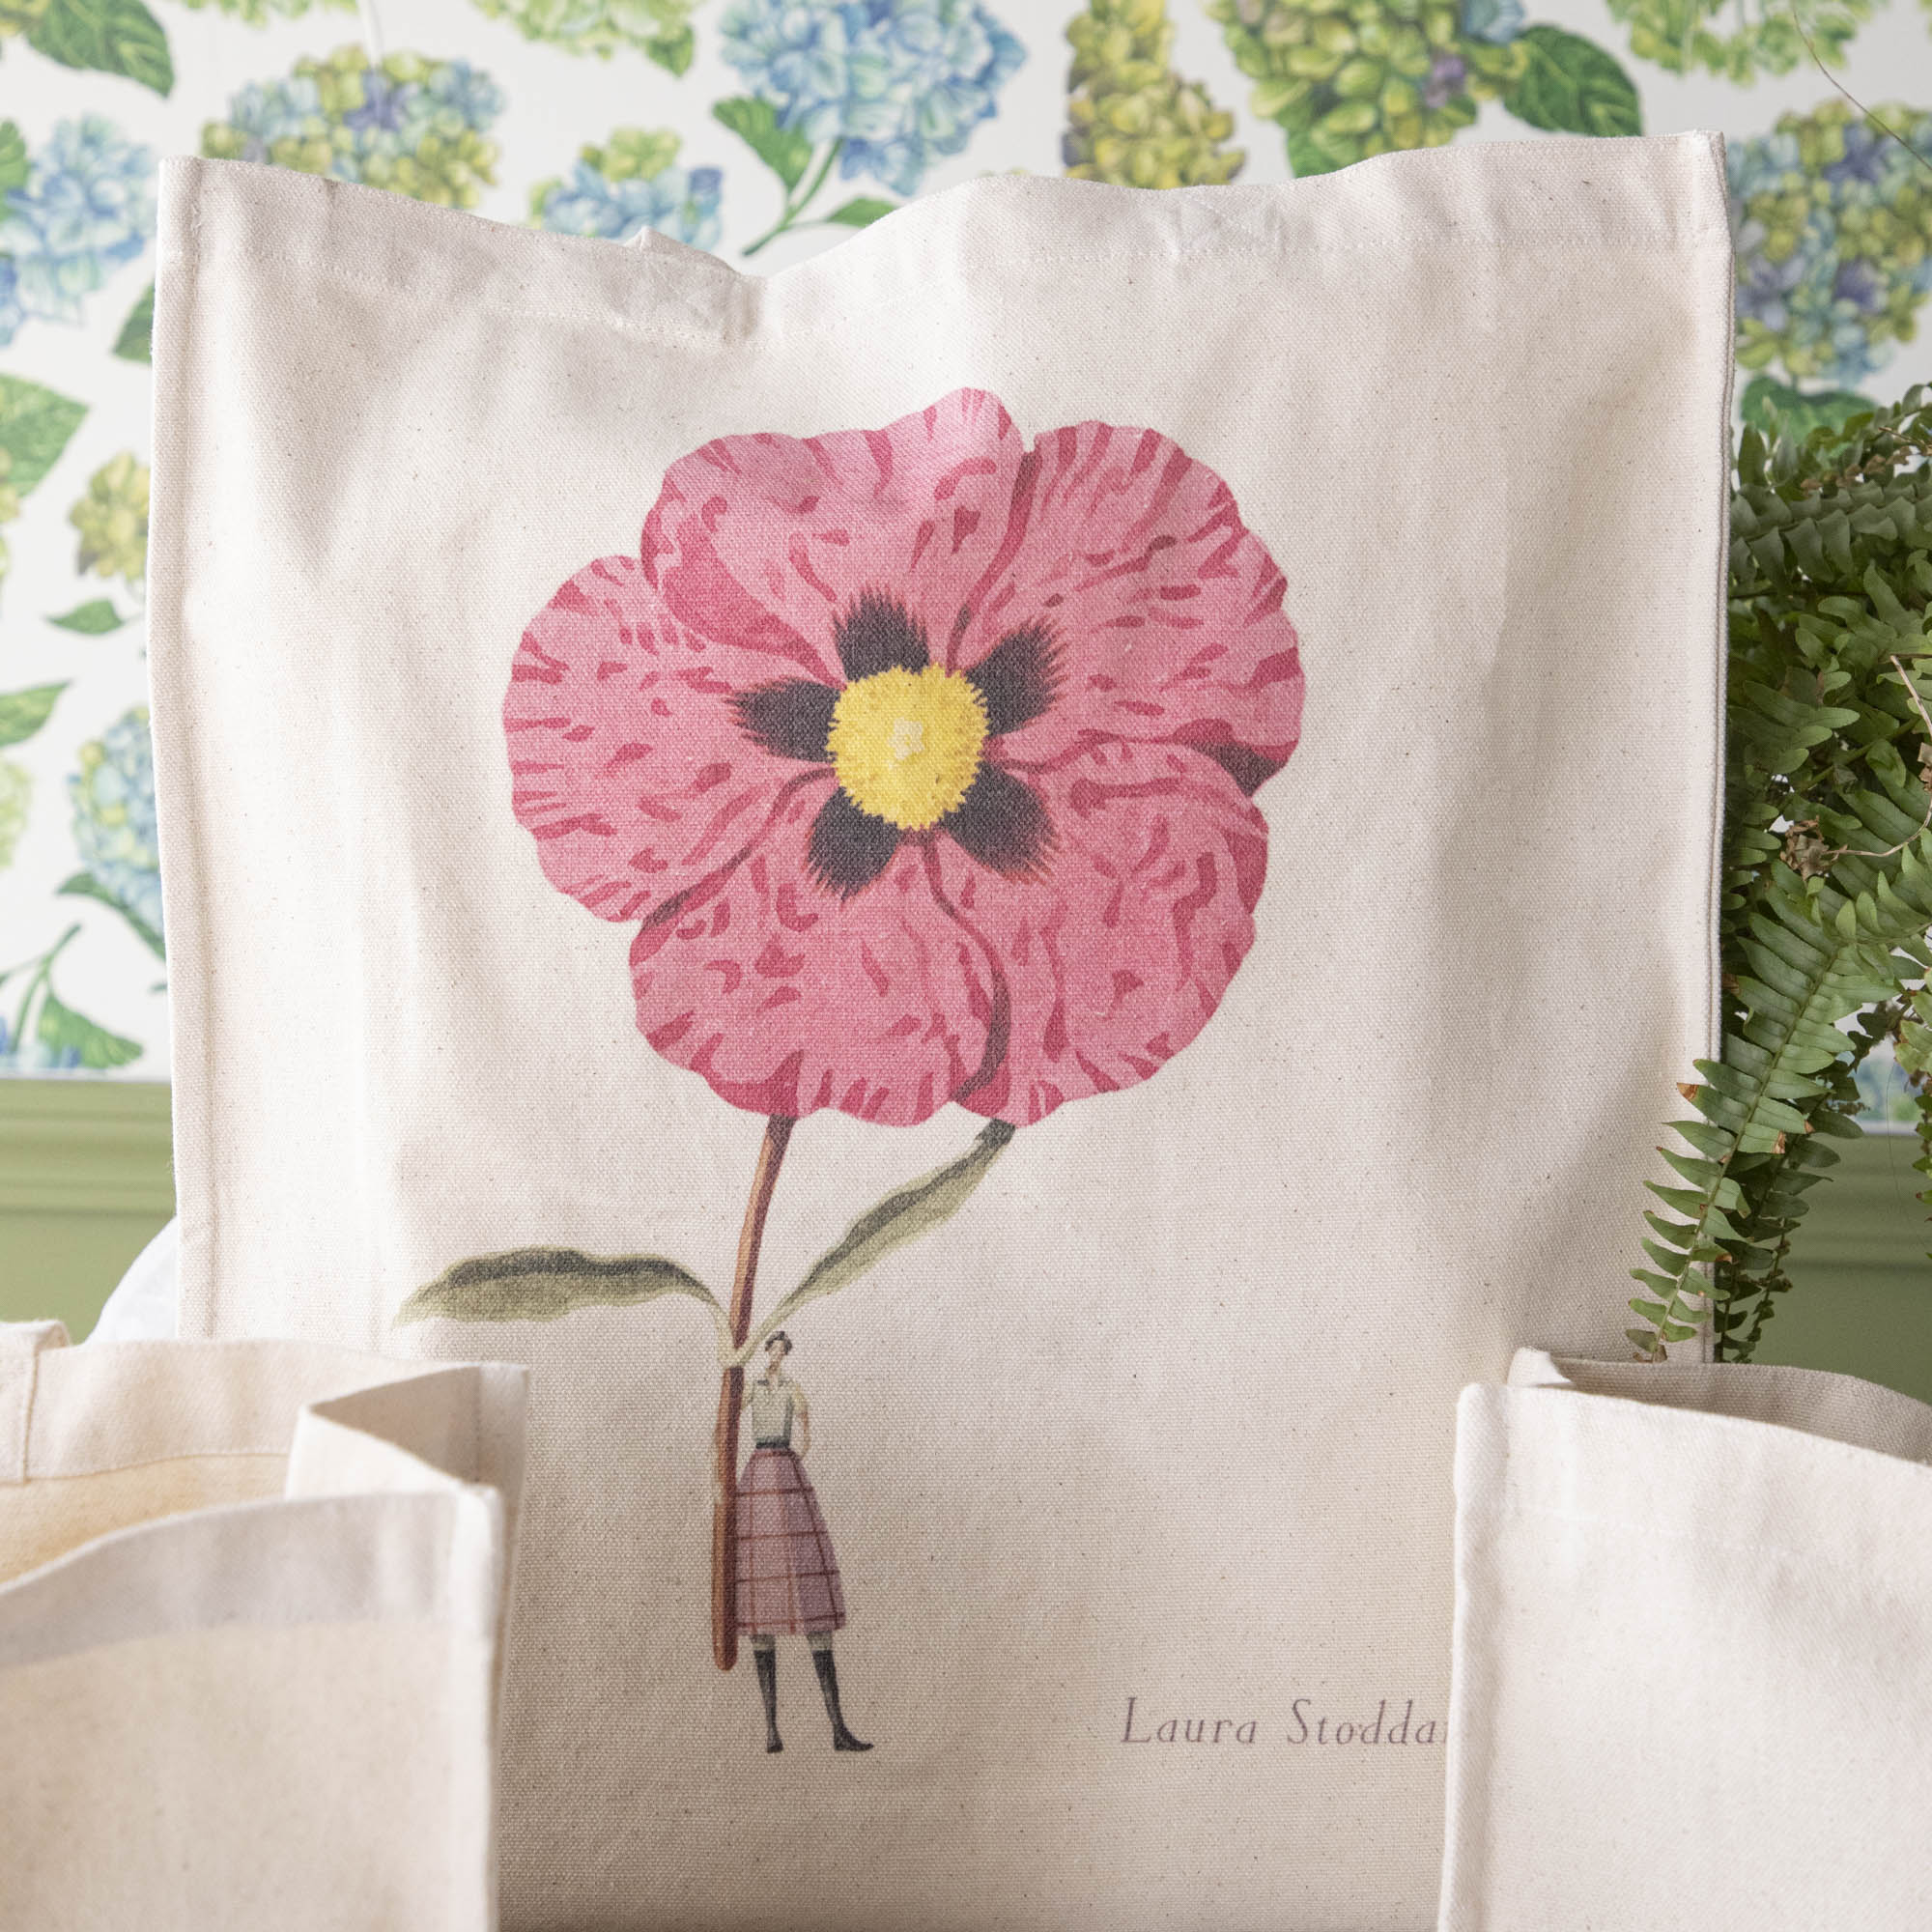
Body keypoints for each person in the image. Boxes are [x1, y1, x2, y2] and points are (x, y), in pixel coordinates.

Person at [737, 1332, 871, 1753]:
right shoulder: (752, 1388)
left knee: (810, 1591)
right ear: (766, 1352)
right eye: (773, 1349)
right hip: (759, 1476)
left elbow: (807, 1427)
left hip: (785, 1474)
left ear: (786, 1354)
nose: (777, 1354)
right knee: (761, 1597)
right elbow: (725, 1424)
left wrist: (799, 1451)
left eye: (783, 1350)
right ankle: (772, 1730)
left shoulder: (793, 1388)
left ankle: (837, 1728)